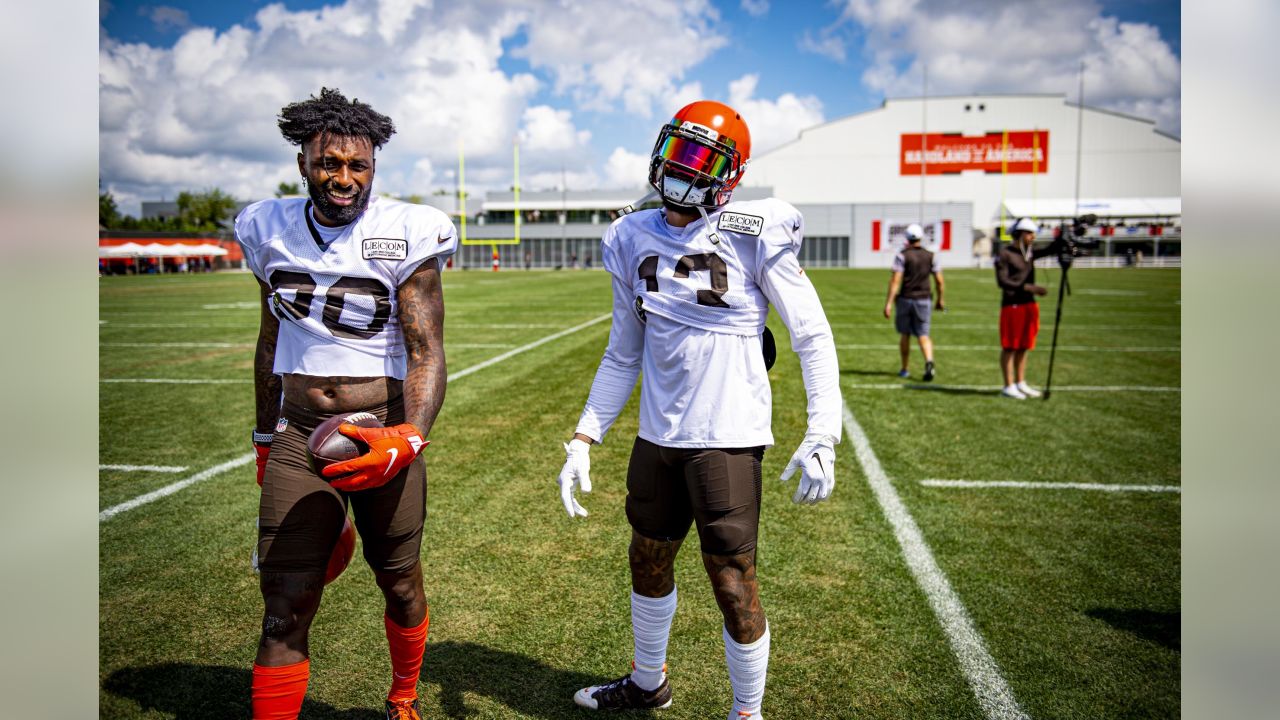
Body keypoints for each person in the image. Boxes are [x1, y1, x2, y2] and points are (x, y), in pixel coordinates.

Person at [556, 100, 842, 719]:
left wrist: (824, 429)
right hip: (658, 435)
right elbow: (621, 351)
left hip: (727, 436)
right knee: (647, 556)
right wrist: (585, 435)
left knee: (732, 579)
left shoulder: (752, 232)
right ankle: (647, 682)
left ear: (729, 173)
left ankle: (747, 713)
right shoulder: (630, 236)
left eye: (700, 158)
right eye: (676, 152)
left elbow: (812, 335)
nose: (681, 169)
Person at [236, 88, 456, 720]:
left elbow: (427, 353)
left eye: (358, 166)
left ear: (374, 169)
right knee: (283, 600)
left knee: (400, 579)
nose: (343, 178)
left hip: (383, 430)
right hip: (299, 432)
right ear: (304, 160)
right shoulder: (265, 226)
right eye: (330, 162)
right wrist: (261, 437)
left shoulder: (406, 230)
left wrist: (409, 436)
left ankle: (404, 694)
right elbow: (270, 337)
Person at [995, 217, 1055, 399]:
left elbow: (1050, 250)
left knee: (1023, 346)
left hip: (1028, 305)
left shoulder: (1029, 253)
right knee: (1010, 346)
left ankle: (1020, 382)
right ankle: (1008, 385)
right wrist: (1030, 288)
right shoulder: (1005, 254)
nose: (1032, 237)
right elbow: (1002, 281)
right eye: (1029, 233)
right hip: (1012, 305)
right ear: (1019, 234)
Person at [883, 223, 944, 380]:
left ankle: (904, 368)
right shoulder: (931, 256)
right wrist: (940, 299)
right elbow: (939, 281)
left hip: (906, 299)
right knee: (923, 334)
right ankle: (929, 361)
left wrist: (889, 303)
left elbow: (895, 280)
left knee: (905, 334)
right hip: (924, 299)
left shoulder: (902, 255)